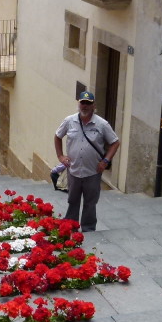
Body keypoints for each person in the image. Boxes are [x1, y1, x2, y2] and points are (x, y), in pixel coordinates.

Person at [53, 90, 119, 232]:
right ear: (79, 103)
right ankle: (70, 228)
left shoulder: (102, 124)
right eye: (83, 102)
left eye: (88, 103)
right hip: (74, 170)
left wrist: (106, 161)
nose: (85, 106)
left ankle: (88, 229)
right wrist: (61, 156)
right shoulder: (69, 121)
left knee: (90, 203)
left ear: (94, 105)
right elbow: (57, 136)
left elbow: (115, 142)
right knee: (73, 201)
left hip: (93, 172)